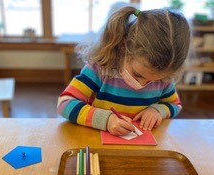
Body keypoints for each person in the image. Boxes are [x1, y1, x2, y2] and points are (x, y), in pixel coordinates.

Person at [57, 6, 190, 136]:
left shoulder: (164, 77)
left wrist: (158, 110)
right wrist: (106, 120)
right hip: (96, 143)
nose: (143, 84)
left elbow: (175, 104)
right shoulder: (100, 69)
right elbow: (65, 103)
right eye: (137, 74)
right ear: (123, 46)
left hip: (141, 148)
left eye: (155, 80)